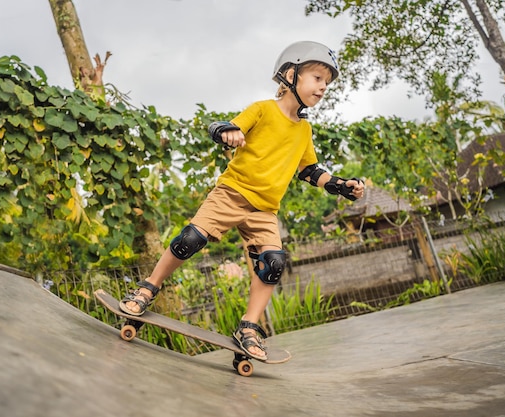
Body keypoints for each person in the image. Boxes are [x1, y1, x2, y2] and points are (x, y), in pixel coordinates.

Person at [120, 40, 365, 361]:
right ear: (291, 74)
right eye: (318, 78)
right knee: (190, 240)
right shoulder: (263, 109)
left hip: (265, 210)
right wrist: (227, 133)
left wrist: (340, 184)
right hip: (231, 194)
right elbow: (225, 127)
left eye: (328, 83)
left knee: (274, 263)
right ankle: (147, 288)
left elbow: (308, 170)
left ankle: (249, 327)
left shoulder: (304, 130)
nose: (323, 87)